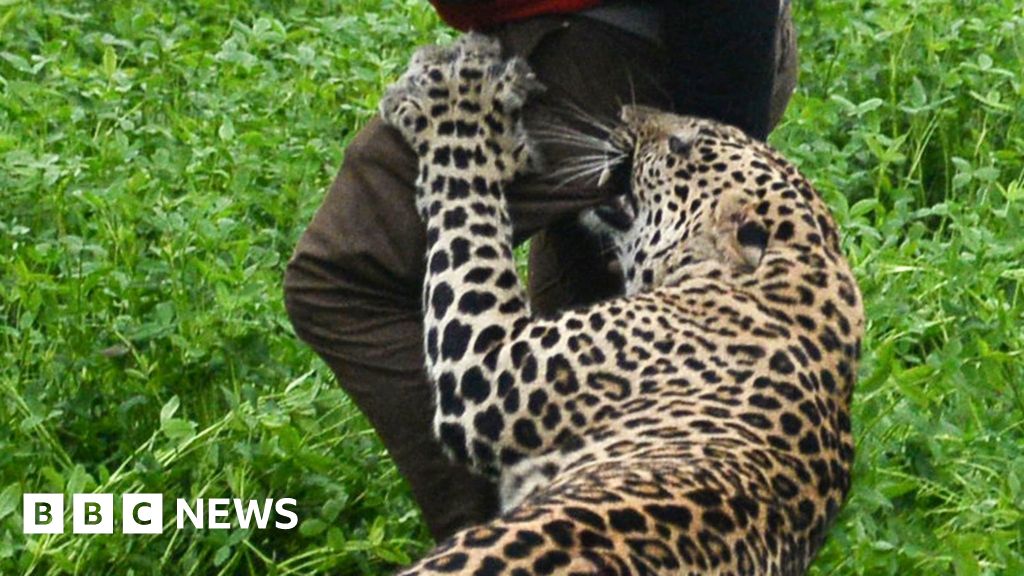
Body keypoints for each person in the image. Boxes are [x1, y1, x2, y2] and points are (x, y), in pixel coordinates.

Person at [284, 0, 798, 542]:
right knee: (589, 365)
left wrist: (712, 168)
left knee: (344, 275)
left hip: (644, 49)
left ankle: (518, 547)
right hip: (635, 41)